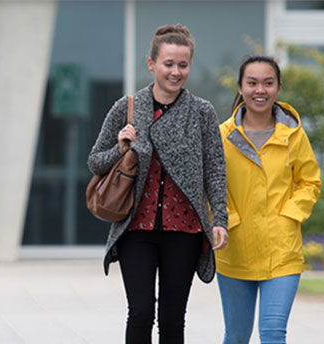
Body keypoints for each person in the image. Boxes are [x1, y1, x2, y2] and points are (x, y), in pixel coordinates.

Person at [87, 24, 228, 344]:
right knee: (139, 313)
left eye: (183, 65)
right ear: (151, 64)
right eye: (168, 64)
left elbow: (215, 171)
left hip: (185, 230)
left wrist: (220, 218)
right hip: (137, 227)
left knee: (172, 318)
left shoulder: (202, 112)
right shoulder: (127, 108)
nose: (175, 72)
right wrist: (120, 147)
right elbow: (95, 162)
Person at [215, 55, 322, 344]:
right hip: (236, 249)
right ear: (240, 87)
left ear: (278, 87)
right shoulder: (222, 136)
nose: (259, 90)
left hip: (282, 251)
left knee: (273, 332)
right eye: (252, 83)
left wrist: (290, 215)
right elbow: (211, 187)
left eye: (268, 83)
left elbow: (309, 181)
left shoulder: (294, 135)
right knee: (236, 336)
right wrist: (229, 221)